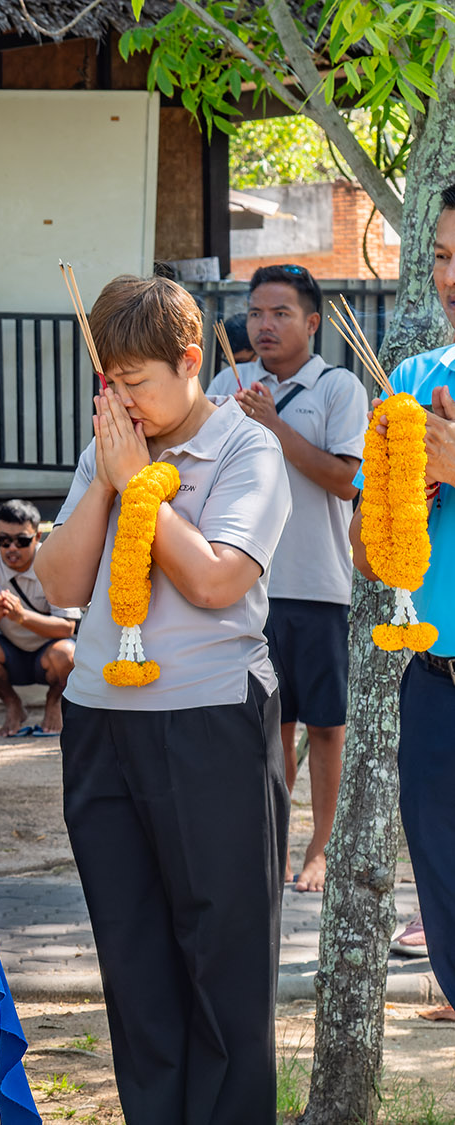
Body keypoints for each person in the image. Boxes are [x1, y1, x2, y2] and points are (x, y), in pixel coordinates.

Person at [35, 274, 291, 1124]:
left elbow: (218, 580)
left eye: (136, 381)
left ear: (190, 362)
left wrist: (143, 480)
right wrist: (109, 482)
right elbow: (62, 583)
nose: (122, 401)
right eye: (108, 383)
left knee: (224, 959)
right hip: (103, 720)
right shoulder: (111, 449)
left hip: (211, 718)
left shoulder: (247, 448)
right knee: (133, 955)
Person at [207, 264, 367, 893]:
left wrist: (273, 425)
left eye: (280, 313)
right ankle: (269, 844)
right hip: (249, 586)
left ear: (312, 322)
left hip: (321, 585)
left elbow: (347, 481)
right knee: (267, 725)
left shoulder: (337, 388)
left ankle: (320, 849)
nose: (264, 325)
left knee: (326, 726)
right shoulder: (227, 382)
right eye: (255, 313)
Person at [351, 182, 455, 1030]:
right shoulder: (414, 382)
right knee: (447, 907)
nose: (449, 278)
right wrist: (402, 498)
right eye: (442, 257)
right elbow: (367, 553)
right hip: (435, 684)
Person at [0, 498, 79, 736]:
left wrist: (22, 616)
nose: (12, 548)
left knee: (68, 654)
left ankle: (54, 702)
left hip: (50, 651)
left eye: (21, 541)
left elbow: (67, 627)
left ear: (37, 537)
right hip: (9, 652)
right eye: (4, 540)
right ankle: (12, 703)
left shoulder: (53, 560)